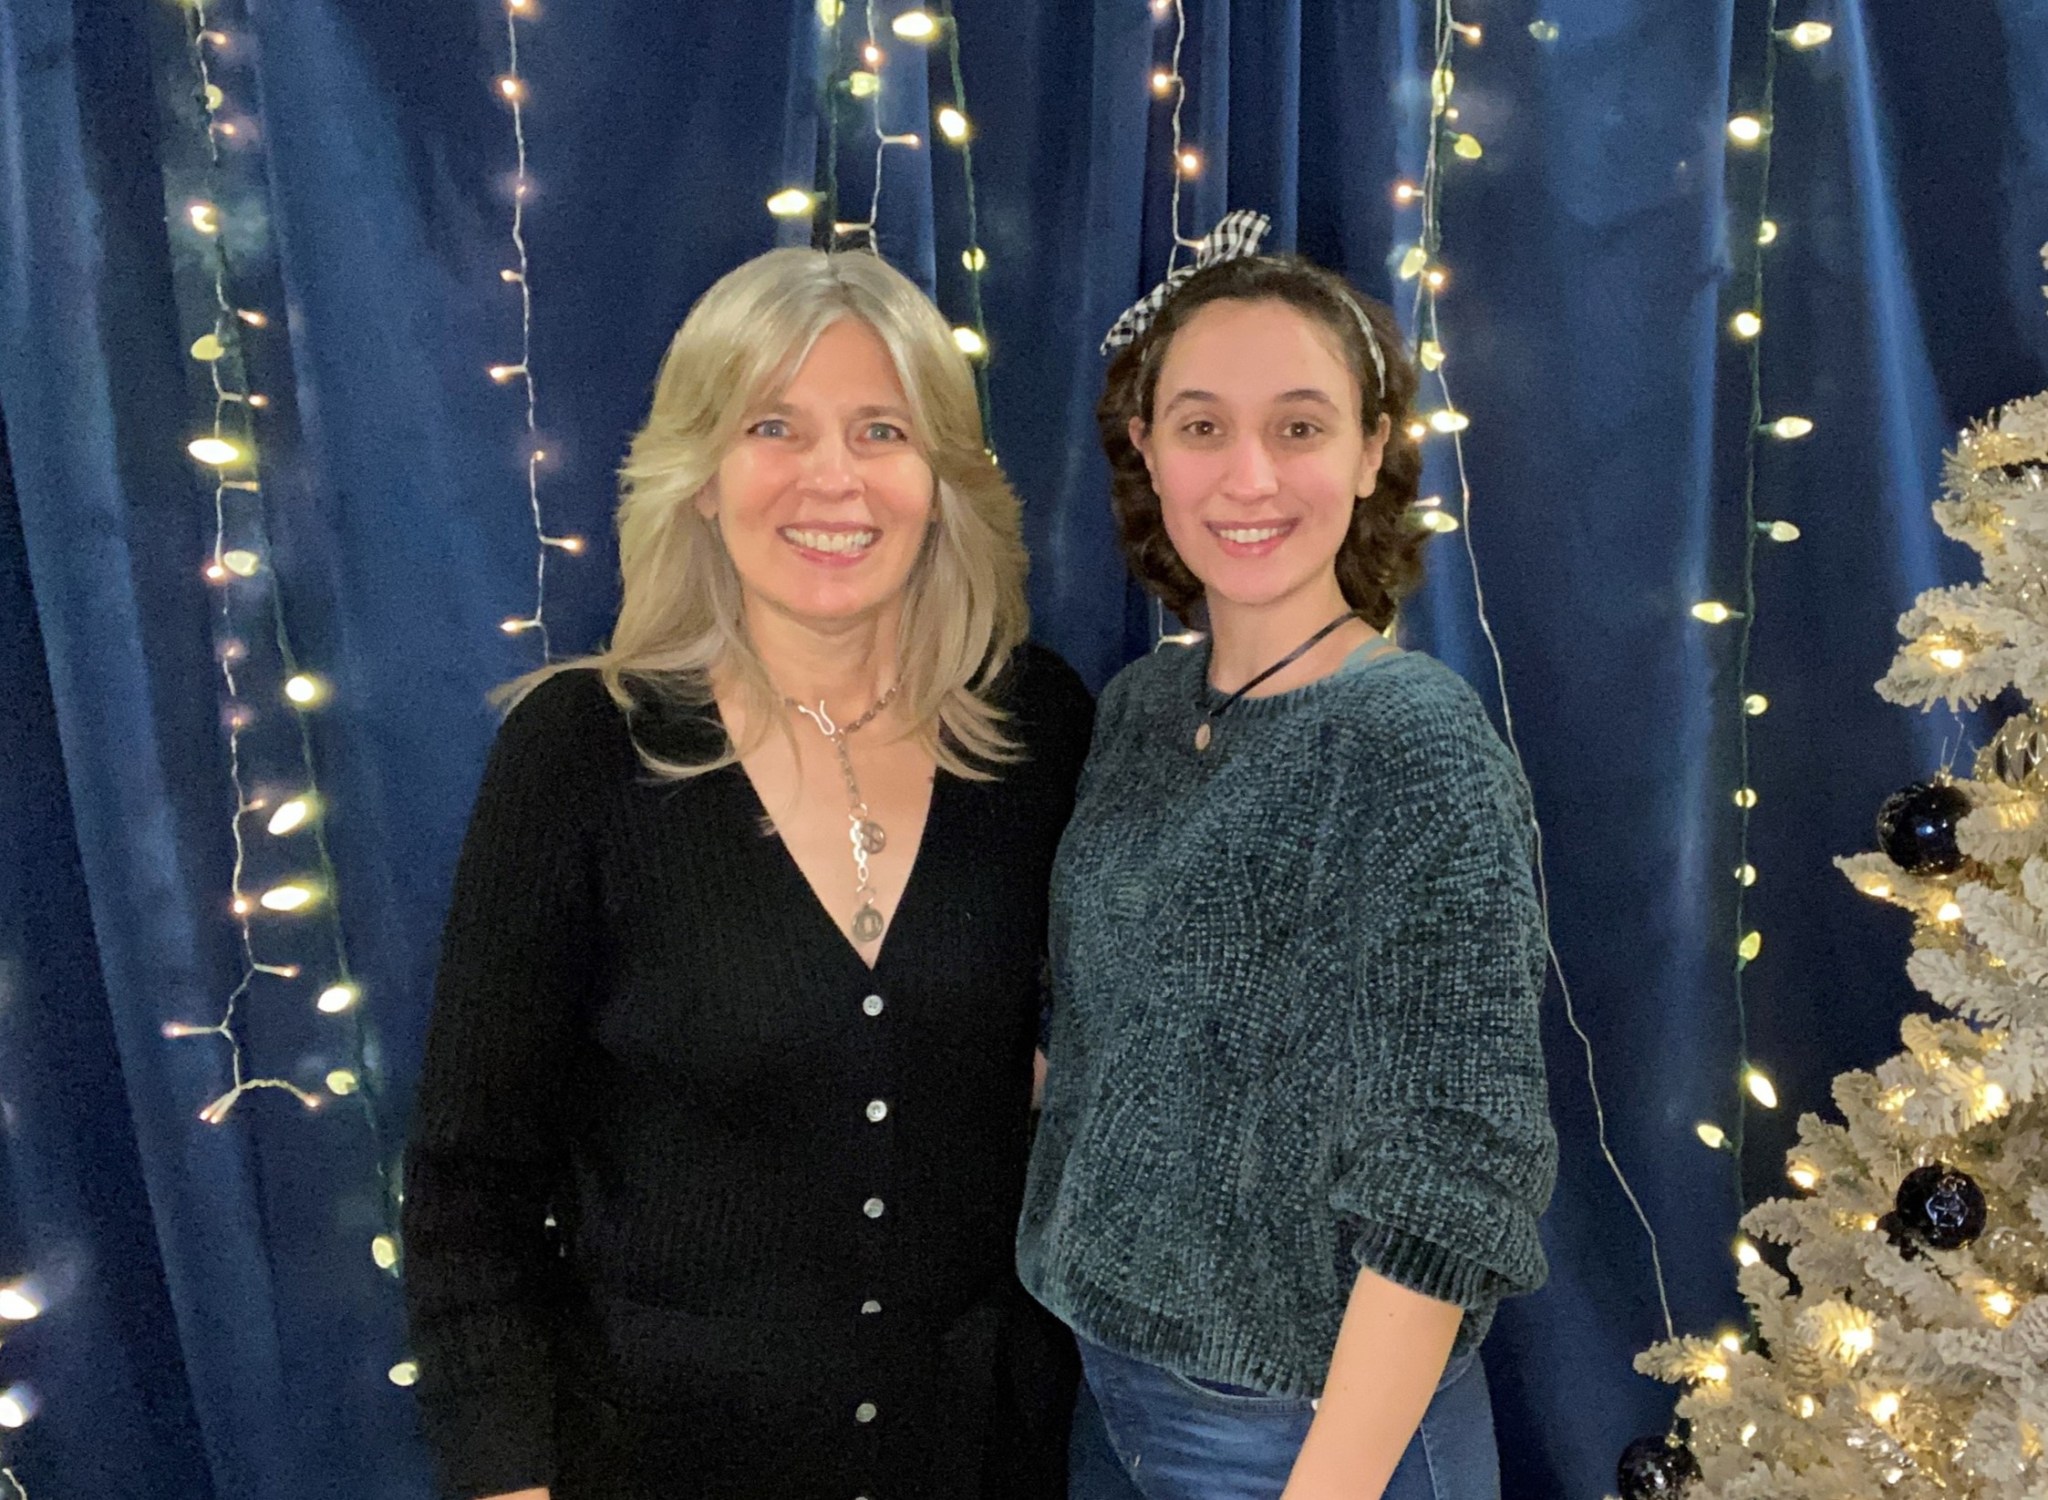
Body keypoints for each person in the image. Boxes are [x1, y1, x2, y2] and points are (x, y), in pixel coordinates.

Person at [402, 247, 1091, 1500]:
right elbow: (471, 1181)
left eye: (881, 429)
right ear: (703, 479)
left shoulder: (1039, 731)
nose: (831, 476)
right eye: (772, 425)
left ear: (939, 482)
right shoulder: (577, 755)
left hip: (977, 1459)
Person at [1018, 219, 1557, 1500]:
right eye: (1201, 425)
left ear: (1372, 450)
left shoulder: (1412, 746)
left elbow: (1451, 1180)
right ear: (1143, 448)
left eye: (1299, 425)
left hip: (1307, 1434)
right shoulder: (1139, 708)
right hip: (1105, 1383)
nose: (1246, 473)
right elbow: (1116, 1039)